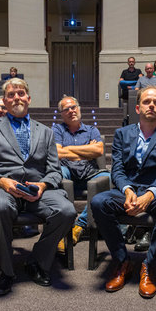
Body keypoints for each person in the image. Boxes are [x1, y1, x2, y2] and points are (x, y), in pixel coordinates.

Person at [0, 78, 76, 296]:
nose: (16, 97)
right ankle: (7, 271)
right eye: (11, 94)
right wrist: (1, 181)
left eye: (21, 93)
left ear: (28, 98)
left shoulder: (46, 132)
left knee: (67, 211)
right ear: (5, 100)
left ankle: (36, 260)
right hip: (3, 188)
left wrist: (43, 185)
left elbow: (55, 171)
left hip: (37, 192)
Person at [90, 86, 156, 298]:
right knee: (98, 202)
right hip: (129, 190)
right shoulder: (122, 134)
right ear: (137, 107)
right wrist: (127, 190)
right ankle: (123, 261)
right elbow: (117, 168)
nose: (151, 105)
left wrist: (150, 194)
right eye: (146, 101)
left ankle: (149, 264)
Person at [53, 96, 110, 252]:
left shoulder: (92, 130)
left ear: (79, 108)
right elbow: (57, 153)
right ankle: (65, 226)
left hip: (89, 173)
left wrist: (68, 150)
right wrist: (86, 151)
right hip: (67, 171)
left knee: (108, 178)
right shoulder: (57, 130)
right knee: (57, 174)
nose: (71, 111)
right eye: (67, 109)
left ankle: (79, 225)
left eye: (74, 107)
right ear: (61, 114)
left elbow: (98, 150)